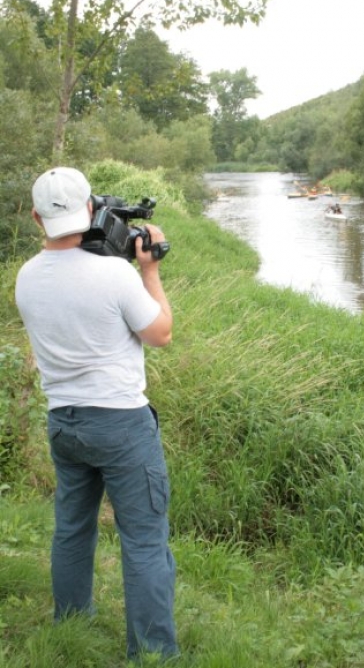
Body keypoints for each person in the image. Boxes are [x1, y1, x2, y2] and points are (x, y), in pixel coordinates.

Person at [15, 167, 179, 663]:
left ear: (36, 217)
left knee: (72, 527)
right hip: (121, 425)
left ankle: (71, 624)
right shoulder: (115, 275)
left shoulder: (25, 277)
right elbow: (161, 334)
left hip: (64, 421)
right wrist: (149, 270)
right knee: (145, 542)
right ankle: (151, 653)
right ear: (91, 209)